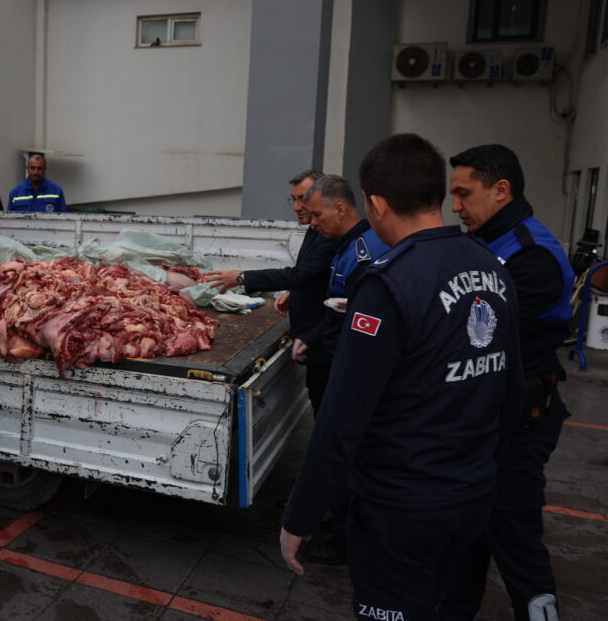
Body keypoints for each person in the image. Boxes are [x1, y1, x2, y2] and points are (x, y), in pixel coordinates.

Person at [278, 133, 525, 621]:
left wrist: (301, 516)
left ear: (376, 205)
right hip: (471, 494)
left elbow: (342, 416)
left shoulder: (388, 283)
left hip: (403, 507)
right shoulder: (491, 266)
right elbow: (510, 389)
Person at [440, 144, 575, 621]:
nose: (455, 206)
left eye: (463, 193)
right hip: (487, 417)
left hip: (520, 423)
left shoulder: (530, 255)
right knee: (469, 532)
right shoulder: (488, 242)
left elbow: (480, 339)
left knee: (514, 536)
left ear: (501, 190)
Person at [202, 169, 338, 413]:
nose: (297, 207)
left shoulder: (329, 234)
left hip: (324, 343)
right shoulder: (315, 229)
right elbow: (313, 273)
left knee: (327, 409)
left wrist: (242, 277)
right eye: (294, 199)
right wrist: (296, 292)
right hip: (314, 342)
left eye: (303, 198)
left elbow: (302, 274)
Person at [292, 175, 390, 366]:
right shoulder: (343, 245)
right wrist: (311, 338)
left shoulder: (364, 256)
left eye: (317, 215)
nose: (313, 223)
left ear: (340, 209)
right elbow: (339, 309)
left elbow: (364, 326)